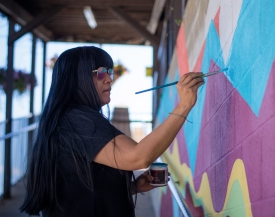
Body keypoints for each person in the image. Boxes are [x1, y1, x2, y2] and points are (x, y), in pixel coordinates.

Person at [20, 46, 204, 216]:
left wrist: (133, 187)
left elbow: (77, 190)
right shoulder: (77, 119)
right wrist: (184, 105)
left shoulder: (66, 120)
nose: (109, 78)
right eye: (101, 73)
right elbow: (138, 157)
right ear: (77, 78)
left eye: (109, 72)